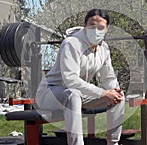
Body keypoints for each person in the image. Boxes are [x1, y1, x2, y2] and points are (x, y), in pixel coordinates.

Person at [36, 9, 125, 145]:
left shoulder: (104, 49)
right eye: (91, 26)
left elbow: (109, 77)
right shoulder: (71, 43)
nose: (95, 30)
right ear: (85, 26)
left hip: (78, 95)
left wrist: (114, 91)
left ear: (107, 30)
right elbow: (70, 80)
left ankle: (113, 143)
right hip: (50, 94)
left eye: (100, 27)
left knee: (119, 98)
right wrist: (102, 92)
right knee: (73, 95)